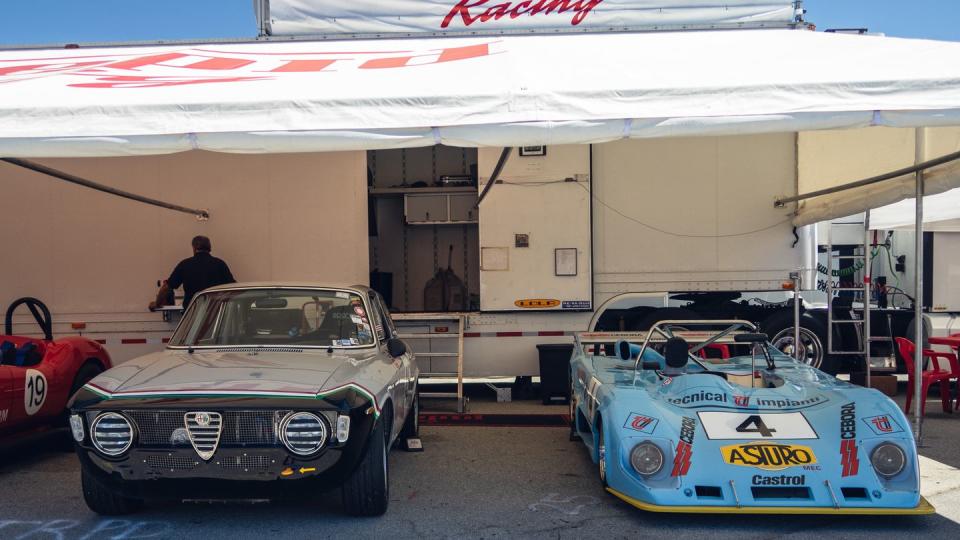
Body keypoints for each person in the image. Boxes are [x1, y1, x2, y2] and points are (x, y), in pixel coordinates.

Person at [149, 236, 235, 311]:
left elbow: (167, 287)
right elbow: (233, 287)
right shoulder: (219, 264)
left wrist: (156, 303)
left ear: (193, 248)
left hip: (192, 311)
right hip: (214, 310)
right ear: (210, 248)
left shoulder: (185, 264)